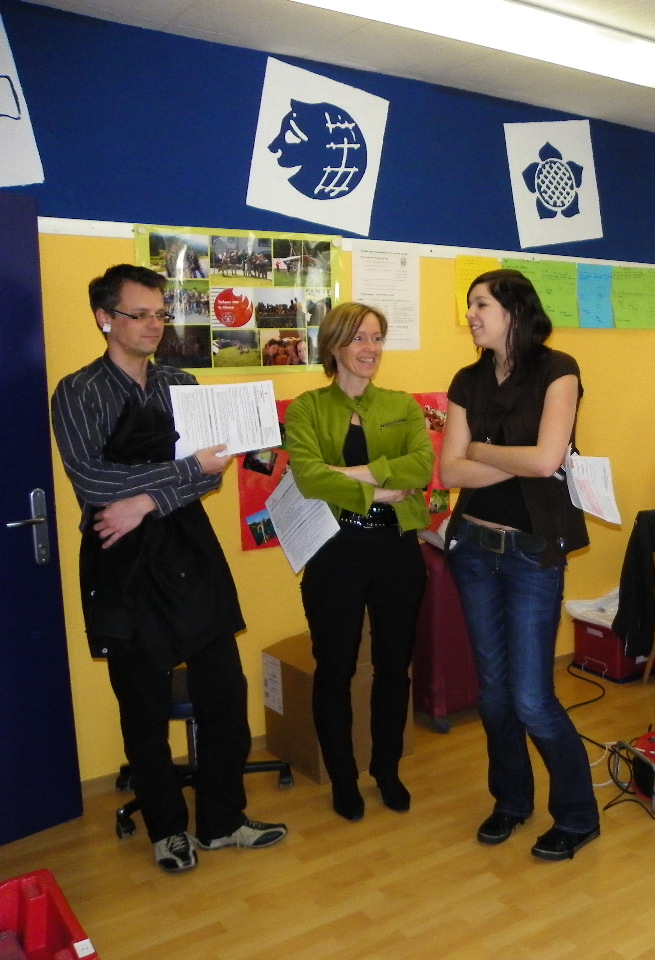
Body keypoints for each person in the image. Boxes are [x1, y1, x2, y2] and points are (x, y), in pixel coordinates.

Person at [50, 264, 287, 874]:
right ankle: (166, 829)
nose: (155, 325)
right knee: (143, 704)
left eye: (161, 314)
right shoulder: (78, 391)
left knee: (224, 692)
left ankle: (223, 820)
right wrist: (176, 477)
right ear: (105, 318)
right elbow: (94, 481)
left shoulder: (181, 384)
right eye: (140, 314)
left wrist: (144, 502)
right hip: (121, 562)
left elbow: (213, 474)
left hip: (186, 549)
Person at [440, 269, 600, 862]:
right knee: (493, 694)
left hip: (532, 554)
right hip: (473, 548)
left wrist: (481, 449)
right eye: (470, 306)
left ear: (513, 309)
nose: (471, 315)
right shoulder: (467, 380)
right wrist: (520, 458)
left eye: (480, 304)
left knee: (532, 698)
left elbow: (546, 461)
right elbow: (450, 471)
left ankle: (577, 816)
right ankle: (511, 800)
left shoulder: (559, 370)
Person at [285, 302, 432, 821]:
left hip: (396, 550)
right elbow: (307, 477)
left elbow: (422, 466)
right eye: (358, 338)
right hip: (335, 550)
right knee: (335, 669)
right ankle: (343, 778)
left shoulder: (402, 404)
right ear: (333, 346)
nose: (370, 349)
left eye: (377, 338)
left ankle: (387, 770)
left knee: (394, 667)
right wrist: (379, 489)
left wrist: (349, 475)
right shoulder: (307, 408)